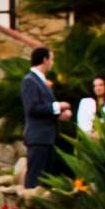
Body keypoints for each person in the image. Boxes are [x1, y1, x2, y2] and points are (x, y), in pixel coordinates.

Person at [20, 46, 60, 189]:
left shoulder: (41, 81)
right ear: (45, 60)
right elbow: (32, 108)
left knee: (46, 180)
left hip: (47, 137)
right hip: (38, 136)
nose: (52, 63)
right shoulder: (30, 81)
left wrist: (59, 114)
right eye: (52, 59)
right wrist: (58, 107)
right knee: (34, 177)